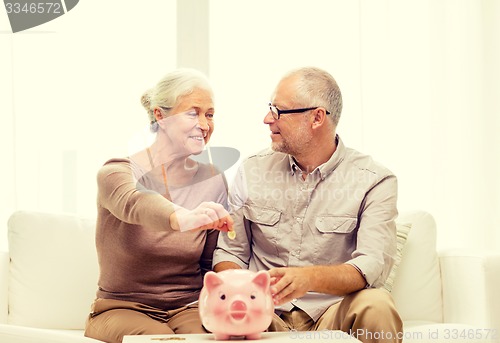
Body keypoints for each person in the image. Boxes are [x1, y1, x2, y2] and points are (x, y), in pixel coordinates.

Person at [213, 67, 403, 343]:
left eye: (279, 111)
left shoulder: (375, 181)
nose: (268, 119)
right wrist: (245, 293)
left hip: (333, 311)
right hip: (263, 314)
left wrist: (309, 278)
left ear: (316, 117)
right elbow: (229, 252)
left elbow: (371, 265)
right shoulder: (252, 170)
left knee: (378, 304)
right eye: (270, 108)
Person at [84, 68, 233, 343]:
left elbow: (209, 261)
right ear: (160, 116)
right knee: (159, 340)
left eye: (209, 114)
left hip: (187, 307)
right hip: (122, 307)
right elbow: (134, 202)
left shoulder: (212, 179)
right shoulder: (117, 172)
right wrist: (181, 217)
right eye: (193, 113)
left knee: (219, 338)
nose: (204, 124)